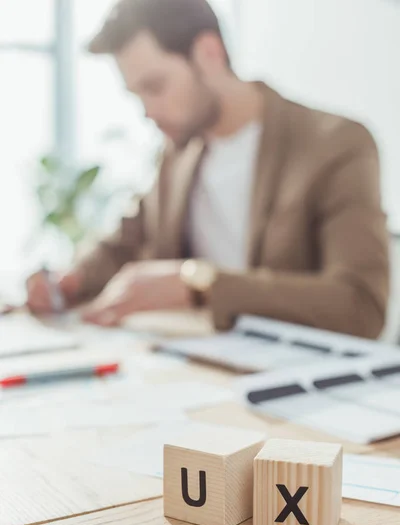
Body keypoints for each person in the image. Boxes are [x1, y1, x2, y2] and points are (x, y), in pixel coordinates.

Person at [27, 0, 389, 338]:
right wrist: (70, 280)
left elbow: (361, 306)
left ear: (209, 53)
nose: (147, 111)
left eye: (155, 86)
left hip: (299, 382)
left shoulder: (334, 144)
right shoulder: (177, 154)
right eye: (137, 94)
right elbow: (126, 241)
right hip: (195, 364)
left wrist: (197, 284)